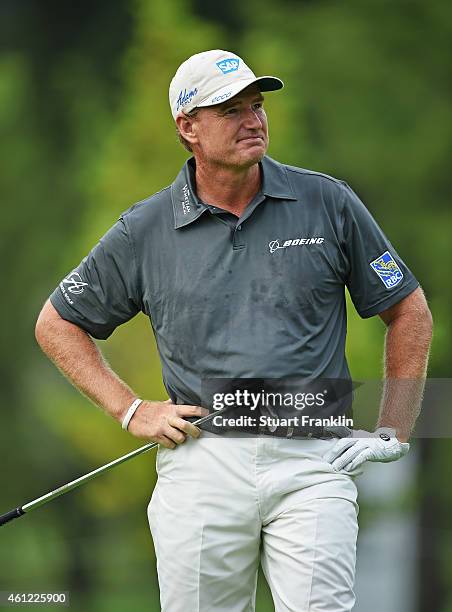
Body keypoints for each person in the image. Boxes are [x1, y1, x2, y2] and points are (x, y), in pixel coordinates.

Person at [35, 49, 433, 611]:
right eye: (231, 110)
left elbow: (408, 310)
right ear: (187, 128)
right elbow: (57, 324)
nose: (254, 120)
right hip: (201, 466)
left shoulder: (327, 202)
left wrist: (395, 427)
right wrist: (131, 410)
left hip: (313, 461)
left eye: (258, 105)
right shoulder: (144, 229)